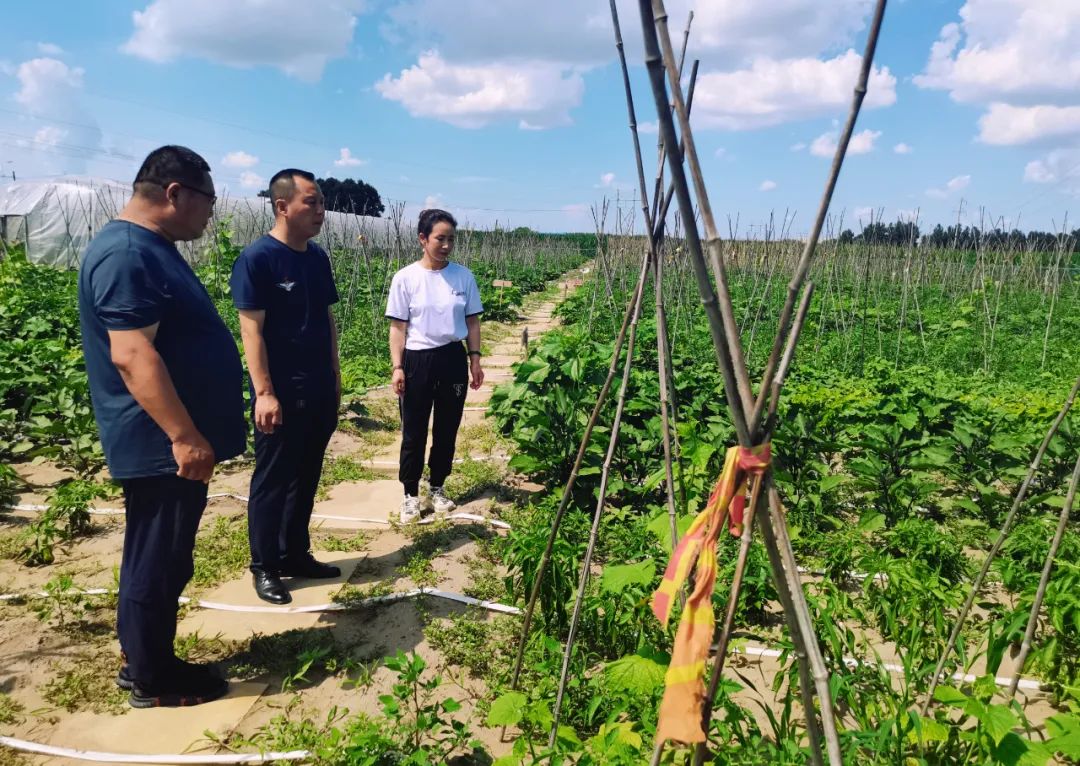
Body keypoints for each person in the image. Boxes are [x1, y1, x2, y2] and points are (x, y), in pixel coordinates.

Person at [78, 145, 244, 708]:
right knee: (159, 555)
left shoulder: (151, 248)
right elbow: (131, 354)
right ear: (174, 193)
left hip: (164, 442)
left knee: (161, 553)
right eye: (207, 201)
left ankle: (147, 658)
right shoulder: (129, 253)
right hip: (159, 444)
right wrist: (183, 434)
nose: (210, 214)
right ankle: (152, 678)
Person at [230, 169, 342, 605]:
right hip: (280, 391)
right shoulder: (258, 259)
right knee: (273, 479)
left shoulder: (317, 259)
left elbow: (327, 320)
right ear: (282, 206)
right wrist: (264, 392)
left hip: (317, 388)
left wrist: (335, 375)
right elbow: (251, 332)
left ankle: (295, 553)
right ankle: (264, 566)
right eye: (311, 202)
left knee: (307, 474)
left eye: (321, 203)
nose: (320, 211)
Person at [385, 209, 484, 523]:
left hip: (452, 359)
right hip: (418, 360)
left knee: (447, 428)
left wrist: (475, 359)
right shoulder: (406, 278)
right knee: (413, 431)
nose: (446, 245)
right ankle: (410, 494)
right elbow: (398, 328)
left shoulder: (462, 277)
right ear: (423, 239)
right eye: (440, 238)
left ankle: (437, 487)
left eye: (451, 239)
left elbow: (472, 321)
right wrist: (397, 367)